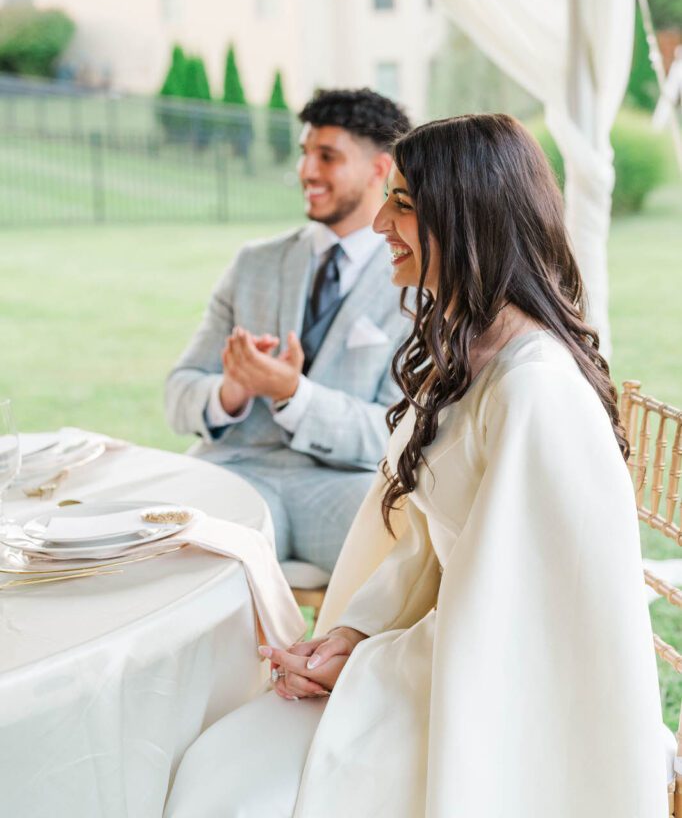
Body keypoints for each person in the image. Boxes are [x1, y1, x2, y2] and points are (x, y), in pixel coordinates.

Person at [165, 113, 668, 818]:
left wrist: (365, 663)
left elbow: (510, 619)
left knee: (229, 791)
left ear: (469, 216)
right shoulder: (469, 355)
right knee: (216, 759)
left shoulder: (534, 389)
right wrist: (355, 631)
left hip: (507, 703)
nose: (380, 225)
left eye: (403, 204)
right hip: (436, 657)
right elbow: (433, 545)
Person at [165, 88, 411, 573]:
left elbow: (397, 430)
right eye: (304, 154)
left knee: (411, 565)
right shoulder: (254, 264)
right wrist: (230, 391)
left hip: (345, 487)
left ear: (379, 170)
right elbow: (179, 395)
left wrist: (293, 394)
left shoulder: (414, 278)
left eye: (328, 157)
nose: (307, 171)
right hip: (235, 472)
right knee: (177, 565)